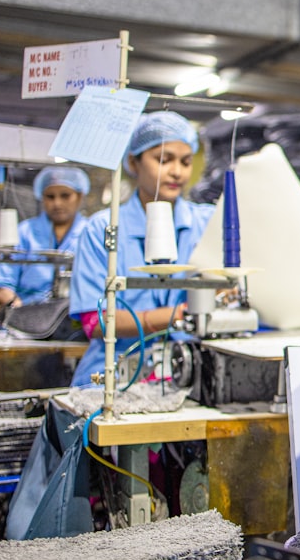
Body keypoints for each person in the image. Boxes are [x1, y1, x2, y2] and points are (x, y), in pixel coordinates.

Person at [68, 111, 214, 387]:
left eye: (185, 162)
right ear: (133, 162)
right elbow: (94, 322)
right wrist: (178, 316)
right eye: (163, 160)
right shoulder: (103, 228)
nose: (177, 172)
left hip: (188, 375)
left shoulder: (207, 223)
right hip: (114, 376)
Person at [0, 166, 91, 309]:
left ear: (80, 196)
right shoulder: (25, 231)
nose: (57, 203)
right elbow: (1, 282)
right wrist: (17, 309)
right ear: (42, 198)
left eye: (65, 195)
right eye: (50, 196)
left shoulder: (91, 233)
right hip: (27, 312)